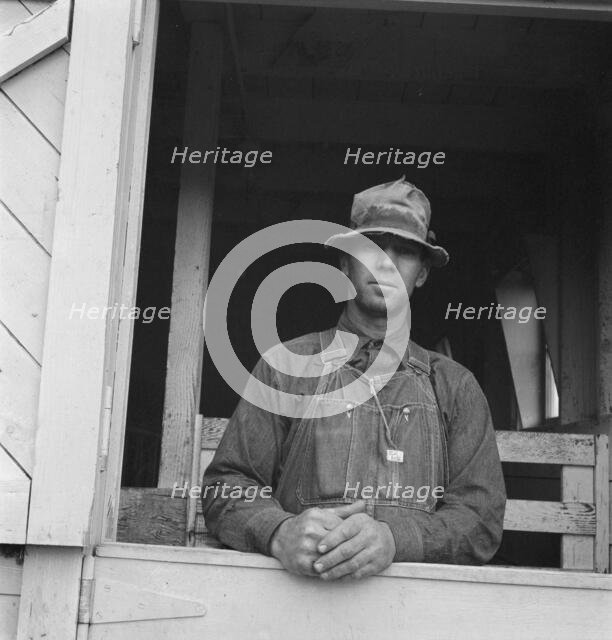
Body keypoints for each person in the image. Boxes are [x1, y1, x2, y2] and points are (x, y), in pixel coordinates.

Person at [202, 177, 506, 581]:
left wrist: (397, 539)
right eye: (372, 248)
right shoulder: (286, 367)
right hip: (295, 606)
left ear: (422, 275)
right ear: (345, 265)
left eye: (406, 252)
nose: (387, 263)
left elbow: (480, 519)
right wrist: (277, 532)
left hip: (415, 614)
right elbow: (227, 485)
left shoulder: (454, 386)